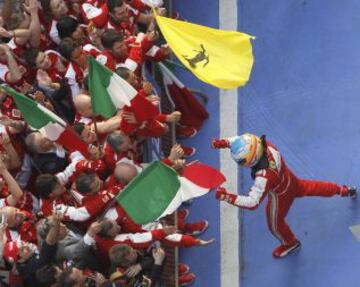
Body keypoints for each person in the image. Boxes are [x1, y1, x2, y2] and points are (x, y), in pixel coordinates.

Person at [212, 133, 357, 258]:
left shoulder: (263, 177)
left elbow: (252, 202)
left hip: (280, 196)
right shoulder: (266, 145)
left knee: (274, 224)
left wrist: (227, 197)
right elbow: (244, 142)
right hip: (289, 179)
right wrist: (226, 143)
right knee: (314, 187)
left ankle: (290, 243)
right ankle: (343, 190)